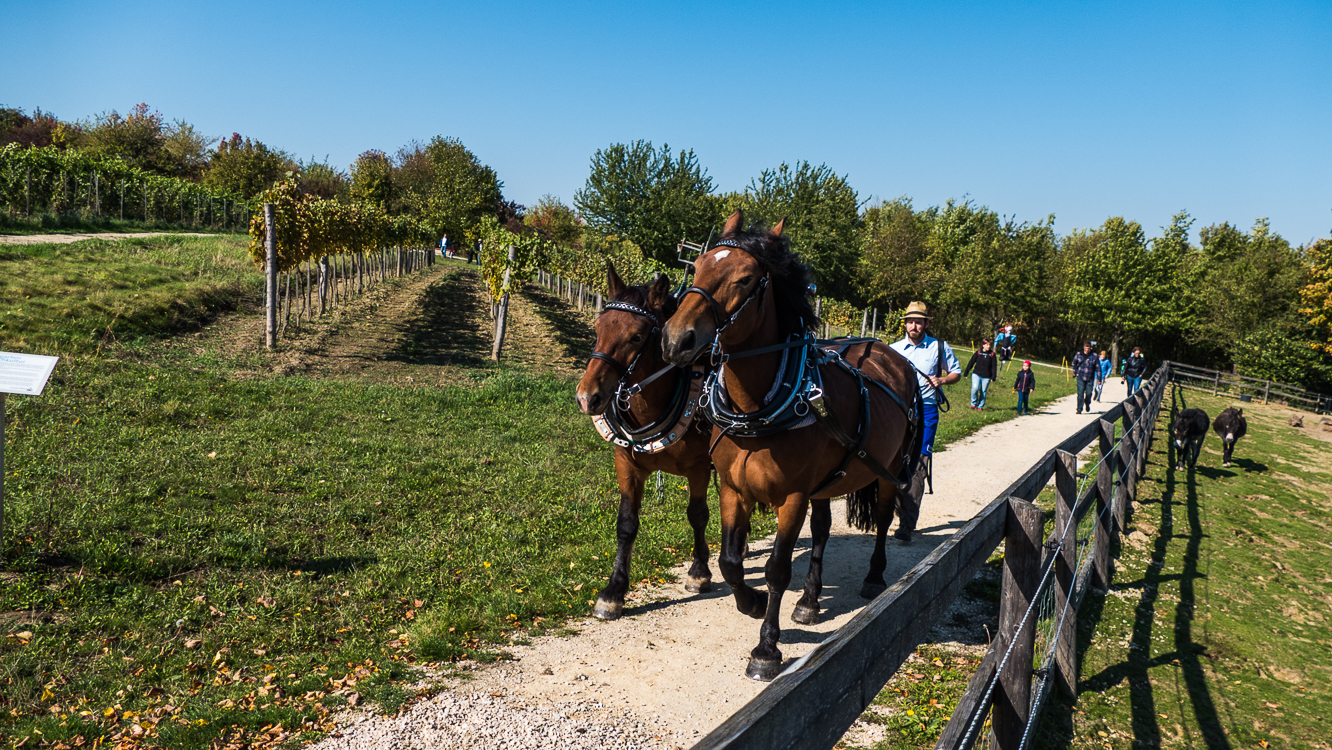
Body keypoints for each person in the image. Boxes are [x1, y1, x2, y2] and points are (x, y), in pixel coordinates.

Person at [889, 301, 962, 543]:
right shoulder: (893, 349)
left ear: (926, 324)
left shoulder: (939, 347)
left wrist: (941, 381)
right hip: (898, 411)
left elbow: (956, 373)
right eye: (910, 321)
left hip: (927, 411)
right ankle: (890, 511)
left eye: (918, 321)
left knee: (919, 464)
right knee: (893, 461)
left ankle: (907, 524)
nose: (913, 325)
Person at [963, 339, 998, 411]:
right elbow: (971, 362)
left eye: (989, 345)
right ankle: (973, 403)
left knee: (983, 391)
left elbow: (994, 366)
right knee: (974, 388)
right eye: (987, 345)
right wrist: (966, 372)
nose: (988, 346)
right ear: (983, 345)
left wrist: (993, 377)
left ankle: (980, 406)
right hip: (976, 374)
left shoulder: (992, 354)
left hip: (987, 376)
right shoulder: (978, 352)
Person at [1071, 341, 1100, 415]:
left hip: (1090, 377)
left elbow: (1098, 368)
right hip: (1080, 376)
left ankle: (1087, 403)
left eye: (1088, 348)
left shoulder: (1094, 356)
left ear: (1090, 348)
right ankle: (1079, 409)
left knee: (1089, 393)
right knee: (1080, 393)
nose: (1087, 350)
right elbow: (1073, 363)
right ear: (1084, 347)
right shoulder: (1079, 354)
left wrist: (1099, 379)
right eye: (1086, 348)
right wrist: (1076, 372)